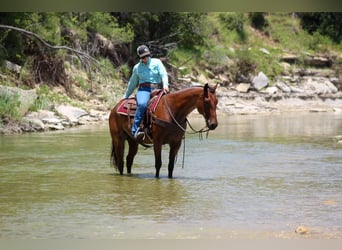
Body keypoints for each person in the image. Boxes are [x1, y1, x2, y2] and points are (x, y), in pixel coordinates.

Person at [124, 45, 169, 140]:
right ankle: (135, 130)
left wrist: (165, 85)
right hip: (143, 90)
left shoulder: (157, 62)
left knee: (170, 104)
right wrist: (126, 96)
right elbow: (132, 83)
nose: (146, 58)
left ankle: (173, 130)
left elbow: (163, 74)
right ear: (140, 57)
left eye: (147, 55)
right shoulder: (137, 68)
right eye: (143, 57)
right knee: (142, 104)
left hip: (157, 89)